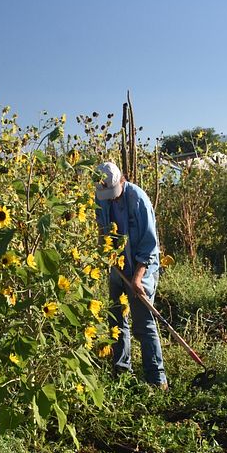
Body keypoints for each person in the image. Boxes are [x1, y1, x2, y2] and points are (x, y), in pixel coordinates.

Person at [94, 162, 167, 388]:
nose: (112, 199)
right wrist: (104, 252)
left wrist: (137, 277)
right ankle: (121, 371)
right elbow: (102, 229)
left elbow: (149, 244)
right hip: (117, 267)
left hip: (140, 268)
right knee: (116, 319)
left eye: (114, 194)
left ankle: (157, 381)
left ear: (122, 181)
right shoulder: (101, 196)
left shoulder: (138, 200)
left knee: (143, 325)